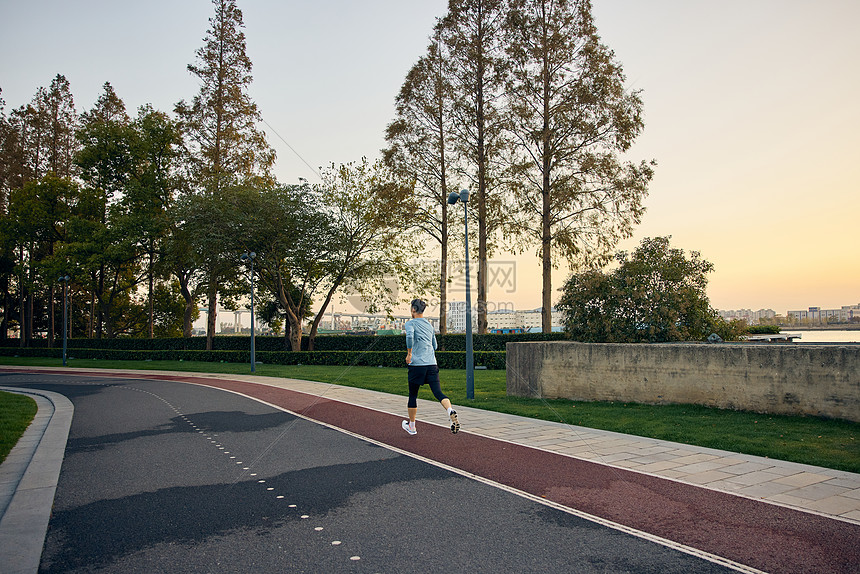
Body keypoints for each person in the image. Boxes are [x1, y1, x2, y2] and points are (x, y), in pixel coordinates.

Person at [402, 298, 460, 435]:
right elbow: (435, 346)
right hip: (432, 364)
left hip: (417, 365)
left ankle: (412, 426)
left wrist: (409, 353)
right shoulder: (429, 325)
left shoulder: (410, 324)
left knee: (413, 395)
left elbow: (409, 337)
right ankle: (450, 410)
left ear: (413, 309)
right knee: (438, 393)